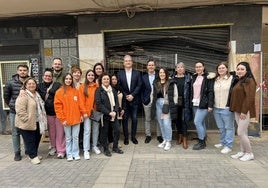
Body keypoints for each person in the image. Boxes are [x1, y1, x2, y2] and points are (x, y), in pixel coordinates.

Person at [15, 77, 46, 165]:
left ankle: (34, 154)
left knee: (37, 139)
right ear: (25, 85)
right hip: (27, 122)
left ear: (36, 85)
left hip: (37, 121)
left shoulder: (37, 94)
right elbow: (20, 109)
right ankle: (33, 157)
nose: (31, 85)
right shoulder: (24, 95)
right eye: (29, 84)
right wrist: (26, 119)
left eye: (33, 84)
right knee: (30, 140)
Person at [230, 62, 256, 161]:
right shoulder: (240, 81)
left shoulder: (249, 81)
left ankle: (249, 153)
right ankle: (242, 151)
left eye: (242, 69)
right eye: (238, 69)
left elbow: (249, 98)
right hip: (238, 110)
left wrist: (244, 112)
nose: (239, 71)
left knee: (240, 132)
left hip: (244, 111)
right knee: (243, 132)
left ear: (247, 70)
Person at [54, 73, 82, 161]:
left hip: (76, 118)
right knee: (68, 137)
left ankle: (75, 153)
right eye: (66, 79)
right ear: (63, 80)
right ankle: (69, 154)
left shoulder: (76, 91)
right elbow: (58, 107)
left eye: (70, 79)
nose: (68, 80)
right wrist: (62, 119)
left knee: (75, 137)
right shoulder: (59, 92)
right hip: (66, 119)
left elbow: (80, 104)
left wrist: (81, 115)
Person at [38, 68, 65, 158]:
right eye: (46, 76)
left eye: (49, 76)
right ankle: (53, 147)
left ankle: (61, 150)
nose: (47, 77)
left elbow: (60, 93)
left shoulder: (57, 84)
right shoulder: (39, 86)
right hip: (48, 113)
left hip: (58, 113)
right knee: (51, 132)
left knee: (60, 132)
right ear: (43, 77)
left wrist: (50, 91)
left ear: (52, 77)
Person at [4, 64, 29, 161]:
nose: (23, 72)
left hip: (27, 112)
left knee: (27, 131)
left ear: (27, 71)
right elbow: (6, 96)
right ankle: (17, 152)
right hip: (14, 112)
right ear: (17, 71)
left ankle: (28, 149)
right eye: (21, 70)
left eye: (24, 70)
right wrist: (12, 106)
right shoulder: (10, 83)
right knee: (15, 132)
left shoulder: (30, 81)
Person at [95, 73, 123, 156]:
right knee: (104, 132)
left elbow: (117, 102)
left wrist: (115, 111)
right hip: (105, 115)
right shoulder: (99, 90)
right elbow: (99, 104)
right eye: (104, 79)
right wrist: (109, 112)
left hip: (114, 115)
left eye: (107, 79)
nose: (106, 80)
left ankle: (115, 147)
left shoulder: (113, 90)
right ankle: (106, 149)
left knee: (117, 130)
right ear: (101, 80)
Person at [151, 68, 178, 151]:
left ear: (166, 73)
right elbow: (152, 94)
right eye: (160, 72)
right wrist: (152, 101)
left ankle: (169, 141)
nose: (161, 74)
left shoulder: (171, 82)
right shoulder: (156, 82)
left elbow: (175, 94)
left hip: (166, 104)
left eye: (163, 72)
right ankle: (165, 140)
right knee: (161, 123)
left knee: (166, 123)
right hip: (157, 104)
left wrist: (172, 104)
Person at [117, 55, 142, 145]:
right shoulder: (120, 74)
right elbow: (119, 86)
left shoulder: (137, 73)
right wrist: (126, 95)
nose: (128, 62)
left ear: (132, 62)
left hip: (134, 100)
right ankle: (126, 137)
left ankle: (133, 137)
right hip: (124, 101)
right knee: (125, 119)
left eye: (129, 61)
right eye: (126, 61)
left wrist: (132, 95)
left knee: (134, 119)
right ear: (123, 63)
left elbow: (139, 85)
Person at [213, 62, 237, 154]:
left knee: (229, 127)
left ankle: (228, 145)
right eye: (219, 68)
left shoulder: (232, 79)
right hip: (216, 107)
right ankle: (222, 142)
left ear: (227, 69)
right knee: (221, 127)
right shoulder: (215, 79)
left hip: (227, 107)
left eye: (223, 68)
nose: (221, 70)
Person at [191, 61, 215, 150]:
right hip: (195, 103)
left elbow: (210, 92)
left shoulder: (208, 77)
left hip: (203, 104)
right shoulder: (194, 77)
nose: (198, 68)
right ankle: (203, 137)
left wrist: (210, 105)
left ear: (203, 67)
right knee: (201, 122)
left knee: (197, 122)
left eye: (200, 66)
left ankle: (202, 142)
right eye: (196, 67)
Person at [79, 69, 101, 160]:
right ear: (86, 76)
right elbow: (81, 101)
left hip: (96, 112)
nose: (91, 76)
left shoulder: (97, 86)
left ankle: (95, 146)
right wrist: (84, 112)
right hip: (87, 113)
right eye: (89, 75)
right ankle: (86, 150)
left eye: (92, 75)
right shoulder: (82, 87)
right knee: (87, 131)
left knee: (95, 130)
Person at [141, 60, 162, 144]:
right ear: (147, 66)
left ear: (155, 66)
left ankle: (159, 135)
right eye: (149, 65)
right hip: (147, 101)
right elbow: (141, 89)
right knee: (147, 119)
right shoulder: (143, 77)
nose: (151, 66)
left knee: (159, 119)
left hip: (157, 100)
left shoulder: (159, 76)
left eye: (152, 65)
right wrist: (143, 100)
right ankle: (148, 135)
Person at [172, 62, 192, 149]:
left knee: (184, 121)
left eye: (182, 67)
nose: (180, 69)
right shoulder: (172, 78)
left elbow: (191, 91)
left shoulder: (188, 79)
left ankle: (184, 138)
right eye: (178, 67)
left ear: (184, 69)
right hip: (175, 102)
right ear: (176, 69)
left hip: (185, 102)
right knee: (177, 120)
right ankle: (179, 136)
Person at [110, 74, 125, 148]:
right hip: (112, 111)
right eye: (112, 79)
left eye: (115, 79)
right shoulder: (109, 89)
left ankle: (116, 141)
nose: (114, 80)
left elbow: (124, 99)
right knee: (111, 128)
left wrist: (123, 109)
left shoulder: (120, 88)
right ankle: (111, 142)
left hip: (120, 111)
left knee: (118, 128)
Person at [71, 65, 84, 149]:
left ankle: (80, 143)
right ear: (72, 74)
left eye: (78, 73)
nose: (77, 74)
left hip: (80, 109)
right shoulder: (69, 84)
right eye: (75, 72)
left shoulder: (82, 85)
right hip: (71, 110)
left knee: (80, 128)